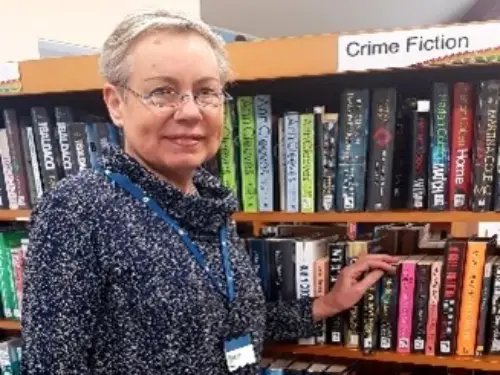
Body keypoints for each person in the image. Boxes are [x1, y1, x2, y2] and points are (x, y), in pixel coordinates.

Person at [21, 9, 396, 375]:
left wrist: (326, 304)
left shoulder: (208, 206)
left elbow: (226, 322)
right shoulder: (77, 208)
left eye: (206, 92)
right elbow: (51, 364)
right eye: (162, 92)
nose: (189, 112)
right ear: (117, 103)